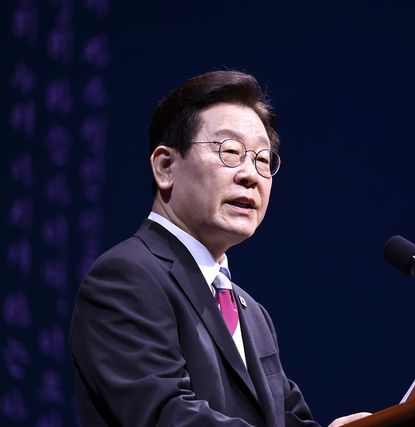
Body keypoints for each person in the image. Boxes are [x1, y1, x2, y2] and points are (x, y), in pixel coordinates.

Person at [69, 70, 369, 426]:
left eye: (262, 159)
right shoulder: (125, 277)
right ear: (165, 167)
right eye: (230, 152)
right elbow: (167, 415)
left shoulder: (253, 314)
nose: (251, 175)